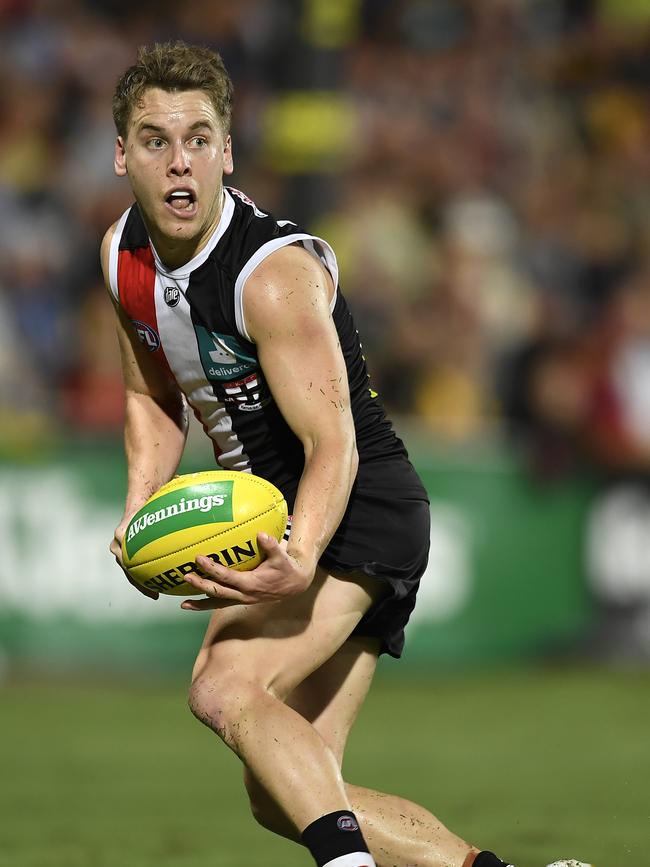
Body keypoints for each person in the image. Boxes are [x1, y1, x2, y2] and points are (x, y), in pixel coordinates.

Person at [103, 40, 591, 867]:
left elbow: (333, 440)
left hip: (352, 505)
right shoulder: (123, 257)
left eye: (197, 138)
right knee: (290, 791)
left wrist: (299, 554)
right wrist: (138, 503)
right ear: (121, 155)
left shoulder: (272, 275)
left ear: (228, 149)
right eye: (155, 140)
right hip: (291, 508)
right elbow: (152, 395)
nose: (179, 162)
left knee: (222, 687)